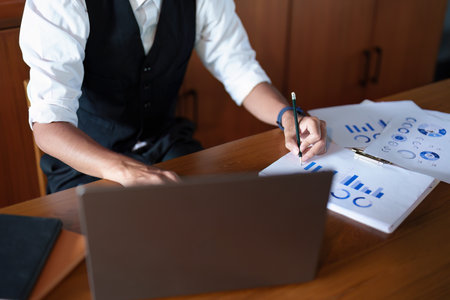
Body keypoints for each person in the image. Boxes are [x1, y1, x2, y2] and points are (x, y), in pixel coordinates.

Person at [19, 0, 327, 193]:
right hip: (87, 165)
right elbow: (49, 124)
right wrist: (124, 170)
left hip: (166, 146)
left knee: (223, 223)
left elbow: (239, 68)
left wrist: (287, 115)